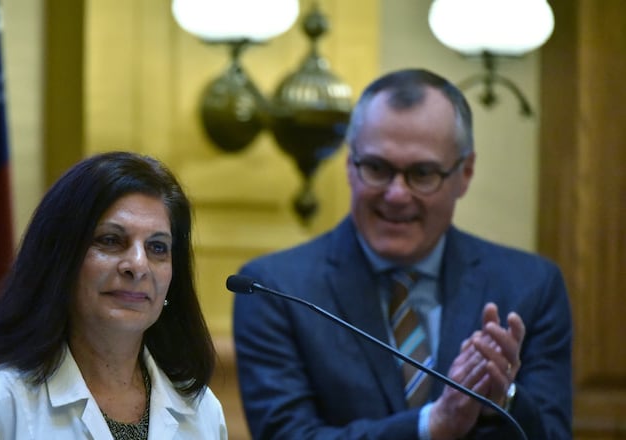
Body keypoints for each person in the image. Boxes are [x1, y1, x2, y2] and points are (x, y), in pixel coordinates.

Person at [233, 69, 572, 440]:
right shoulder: (276, 289)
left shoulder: (530, 287)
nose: (396, 194)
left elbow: (552, 432)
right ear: (350, 165)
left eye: (422, 173)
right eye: (377, 168)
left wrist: (504, 398)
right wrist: (434, 424)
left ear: (466, 173)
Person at [0, 151, 228, 439]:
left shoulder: (201, 410)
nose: (138, 265)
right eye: (110, 240)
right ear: (61, 261)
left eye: (158, 247)